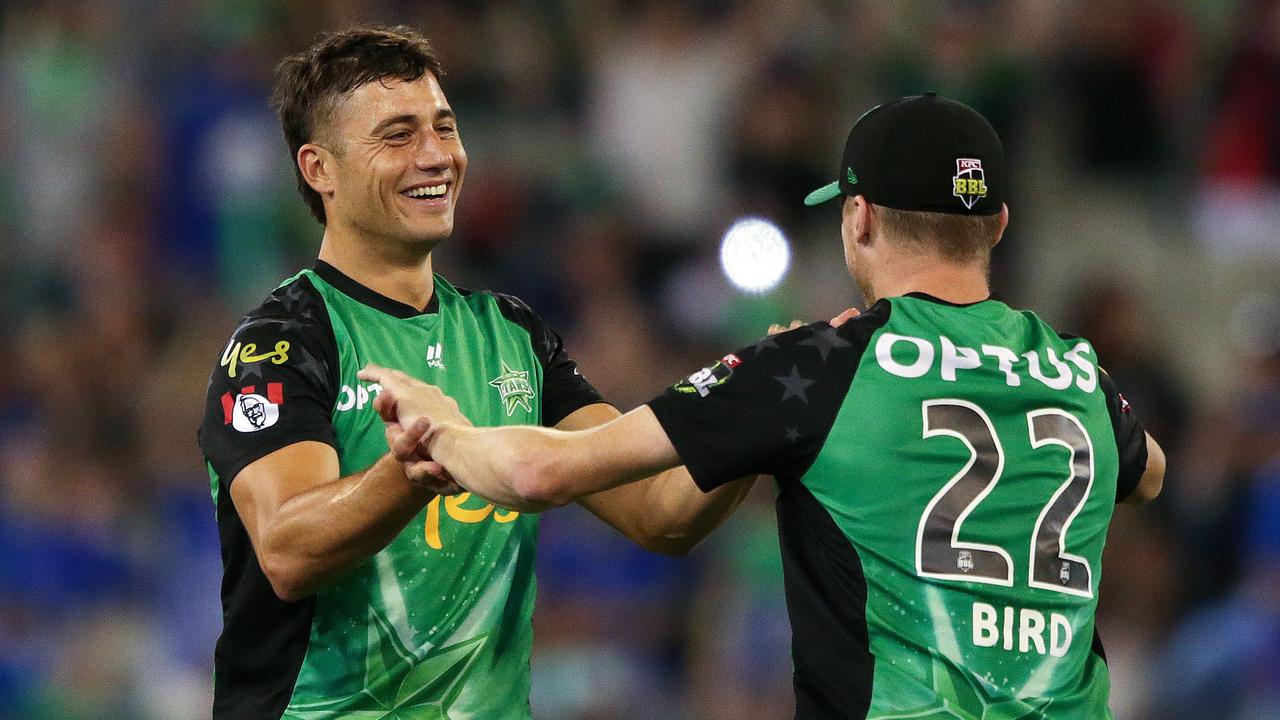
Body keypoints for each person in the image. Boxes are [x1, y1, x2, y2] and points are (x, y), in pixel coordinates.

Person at [364, 93, 1167, 719]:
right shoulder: (1077, 371)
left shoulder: (817, 366)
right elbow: (1150, 474)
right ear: (996, 224)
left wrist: (443, 423)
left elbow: (543, 472)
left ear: (858, 217)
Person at [196, 25, 754, 719]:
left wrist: (756, 413)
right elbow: (286, 550)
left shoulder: (511, 334)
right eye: (397, 135)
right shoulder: (280, 344)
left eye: (444, 127)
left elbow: (660, 512)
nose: (437, 156)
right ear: (319, 169)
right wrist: (410, 472)